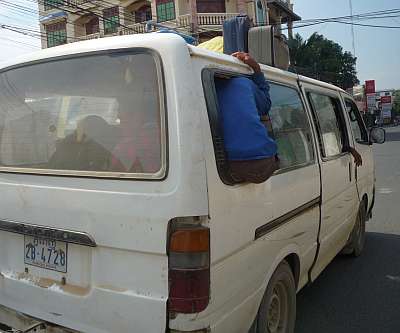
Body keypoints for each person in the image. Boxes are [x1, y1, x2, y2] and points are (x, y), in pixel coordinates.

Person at [215, 52, 279, 184]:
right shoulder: (244, 83)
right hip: (263, 159)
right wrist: (256, 69)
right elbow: (265, 105)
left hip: (228, 164)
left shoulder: (206, 88)